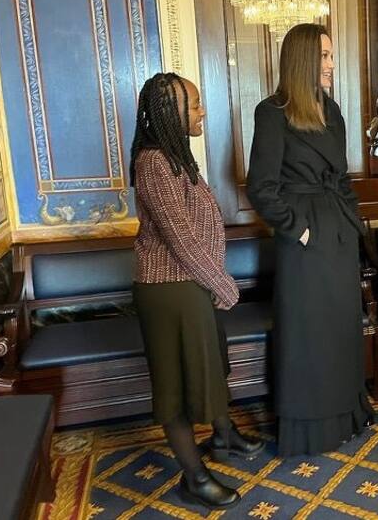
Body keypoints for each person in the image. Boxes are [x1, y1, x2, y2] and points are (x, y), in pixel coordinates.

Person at [130, 72, 264, 509]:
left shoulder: (175, 156)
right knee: (174, 388)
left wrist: (211, 282)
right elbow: (180, 237)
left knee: (211, 365)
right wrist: (223, 283)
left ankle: (223, 436)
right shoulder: (153, 162)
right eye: (194, 104)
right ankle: (195, 477)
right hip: (169, 289)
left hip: (193, 283)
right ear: (171, 112)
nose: (202, 111)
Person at [247, 24, 374, 457]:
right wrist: (297, 228)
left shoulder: (331, 108)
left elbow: (341, 176)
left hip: (338, 233)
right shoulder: (272, 112)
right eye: (324, 56)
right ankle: (311, 430)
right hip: (303, 239)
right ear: (302, 59)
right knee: (309, 334)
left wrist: (353, 222)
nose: (331, 64)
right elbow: (261, 187)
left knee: (340, 329)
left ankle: (347, 415)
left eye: (332, 55)